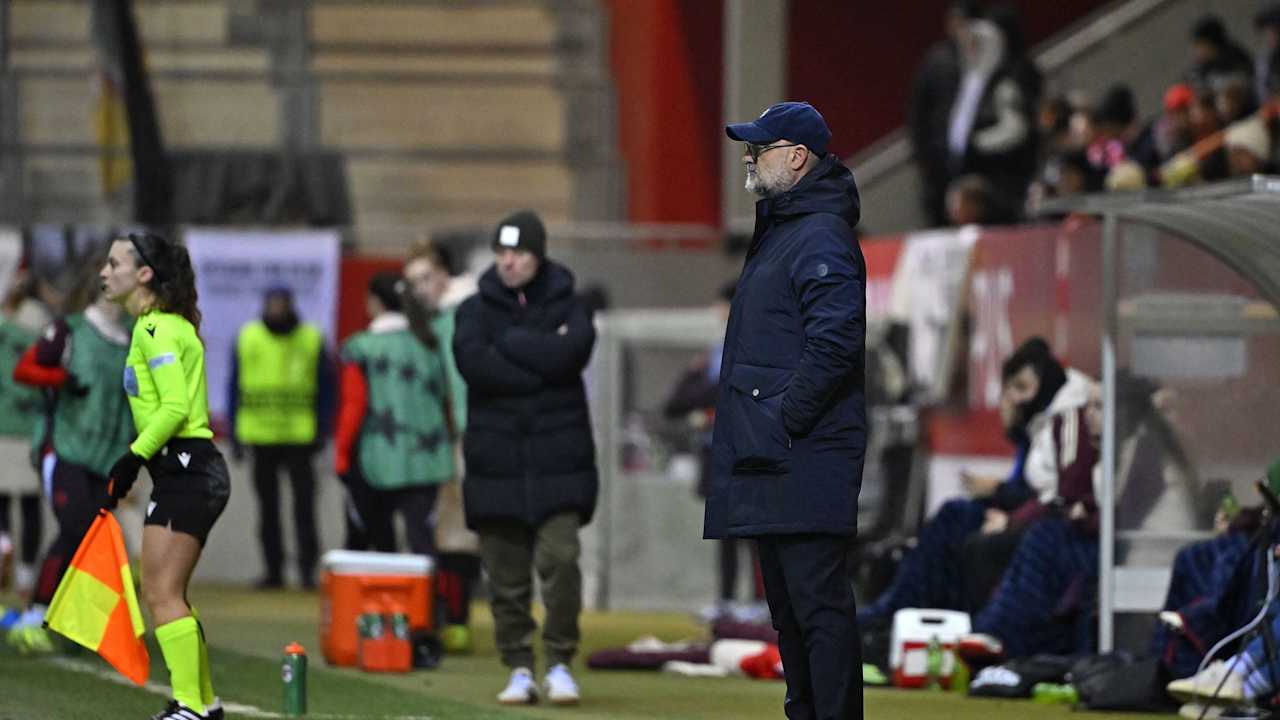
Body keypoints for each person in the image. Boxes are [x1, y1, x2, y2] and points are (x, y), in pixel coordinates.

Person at [713, 101, 865, 719]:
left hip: (802, 454)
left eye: (761, 147)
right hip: (777, 455)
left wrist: (782, 419)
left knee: (817, 610)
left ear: (798, 157)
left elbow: (836, 344)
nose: (749, 158)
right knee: (791, 615)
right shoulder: (788, 228)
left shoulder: (819, 232)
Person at [453, 210, 597, 706]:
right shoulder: (473, 311)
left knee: (562, 561)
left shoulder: (571, 303)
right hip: (495, 464)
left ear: (538, 254)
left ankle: (559, 661)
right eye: (502, 252)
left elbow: (573, 352)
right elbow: (476, 365)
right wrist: (544, 359)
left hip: (560, 462)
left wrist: (510, 344)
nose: (508, 261)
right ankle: (518, 665)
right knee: (506, 578)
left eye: (518, 252)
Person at [98, 231, 230, 720]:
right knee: (169, 592)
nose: (104, 272)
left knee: (161, 592)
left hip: (187, 468)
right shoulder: (159, 326)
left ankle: (190, 707)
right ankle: (204, 704)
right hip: (185, 469)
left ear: (144, 274)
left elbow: (174, 407)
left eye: (114, 264)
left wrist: (132, 457)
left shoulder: (155, 329)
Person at [3, 257, 134, 653]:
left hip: (108, 454)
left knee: (92, 538)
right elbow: (26, 370)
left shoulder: (133, 337)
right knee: (76, 526)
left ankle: (73, 620)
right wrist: (63, 379)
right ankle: (35, 614)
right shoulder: (70, 330)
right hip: (64, 447)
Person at [333, 273, 454, 567]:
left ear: (374, 302)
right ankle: (428, 598)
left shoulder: (360, 347)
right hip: (428, 460)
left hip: (376, 460)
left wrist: (342, 453)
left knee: (377, 546)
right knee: (422, 542)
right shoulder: (430, 344)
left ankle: (381, 598)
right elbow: (446, 399)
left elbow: (354, 405)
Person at [663, 281, 766, 621]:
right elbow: (681, 400)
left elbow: (732, 389)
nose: (715, 312)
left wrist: (712, 391)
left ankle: (760, 601)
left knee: (753, 531)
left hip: (749, 450)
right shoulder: (718, 349)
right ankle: (726, 599)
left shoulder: (758, 344)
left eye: (721, 304)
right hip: (717, 448)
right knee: (725, 530)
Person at [402, 239, 481, 652]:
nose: (421, 289)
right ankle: (456, 619)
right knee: (455, 530)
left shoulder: (470, 312)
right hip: (457, 438)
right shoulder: (434, 324)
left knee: (471, 529)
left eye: (426, 278)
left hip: (483, 436)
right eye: (413, 282)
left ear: (444, 274)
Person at [228, 286, 334, 590]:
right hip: (260, 436)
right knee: (268, 509)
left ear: (290, 306)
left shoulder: (311, 338)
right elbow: (234, 386)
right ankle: (273, 570)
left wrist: (323, 429)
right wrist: (235, 434)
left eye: (280, 304)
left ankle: (306, 571)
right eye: (272, 304)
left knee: (304, 508)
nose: (276, 309)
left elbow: (327, 388)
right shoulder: (248, 337)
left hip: (301, 437)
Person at [0, 273, 53, 595]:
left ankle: (4, 544)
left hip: (3, 424)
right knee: (31, 505)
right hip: (32, 426)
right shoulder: (41, 323)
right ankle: (24, 576)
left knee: (2, 500)